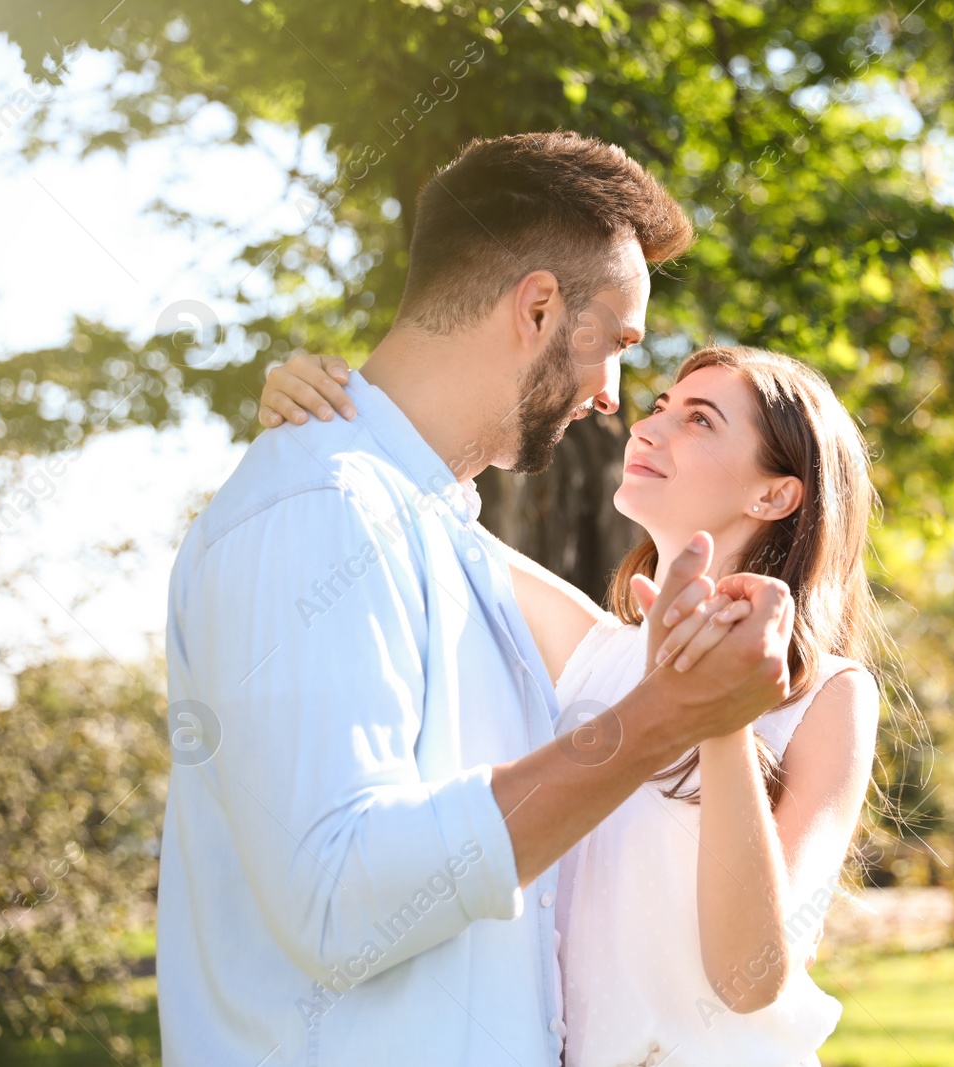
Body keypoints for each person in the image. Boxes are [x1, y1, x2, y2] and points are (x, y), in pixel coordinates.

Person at [159, 131, 799, 1067]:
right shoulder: (321, 510)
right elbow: (337, 898)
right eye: (618, 345)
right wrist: (664, 719)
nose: (615, 397)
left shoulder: (434, 528)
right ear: (538, 308)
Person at [260, 342, 885, 1066]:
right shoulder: (591, 647)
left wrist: (720, 717)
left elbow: (750, 981)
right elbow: (422, 509)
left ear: (774, 495)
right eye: (659, 409)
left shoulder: (830, 694)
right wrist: (328, 406)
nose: (647, 429)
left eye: (700, 420)